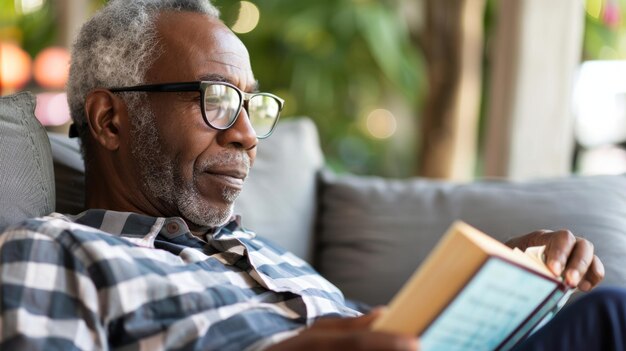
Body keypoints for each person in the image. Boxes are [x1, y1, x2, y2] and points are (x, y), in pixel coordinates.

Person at [0, 0, 622, 350]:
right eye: (217, 99)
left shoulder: (268, 257)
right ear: (110, 120)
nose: (245, 133)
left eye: (253, 106)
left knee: (608, 314)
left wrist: (497, 279)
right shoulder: (55, 252)